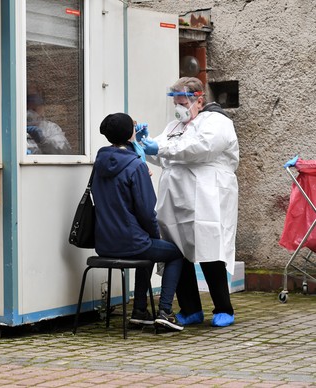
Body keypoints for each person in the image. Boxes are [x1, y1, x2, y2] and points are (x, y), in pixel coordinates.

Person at [141, 77, 239, 327]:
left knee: (210, 250)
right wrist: (142, 144)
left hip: (208, 197)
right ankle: (191, 308)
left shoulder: (217, 122)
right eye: (175, 100)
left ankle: (223, 308)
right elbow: (162, 155)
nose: (178, 106)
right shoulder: (175, 126)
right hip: (175, 200)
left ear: (199, 99)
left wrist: (159, 149)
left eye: (183, 101)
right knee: (177, 252)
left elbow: (201, 148)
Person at [92, 112, 184, 332]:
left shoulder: (99, 162)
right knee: (175, 254)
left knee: (149, 250)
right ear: (130, 134)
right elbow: (147, 212)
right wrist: (154, 235)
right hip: (131, 242)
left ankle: (140, 312)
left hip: (104, 244)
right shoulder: (135, 166)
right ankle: (164, 312)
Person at [26, 84, 72, 155]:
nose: (31, 113)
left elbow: (65, 152)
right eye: (28, 108)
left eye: (34, 109)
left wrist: (43, 141)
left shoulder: (50, 128)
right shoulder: (15, 128)